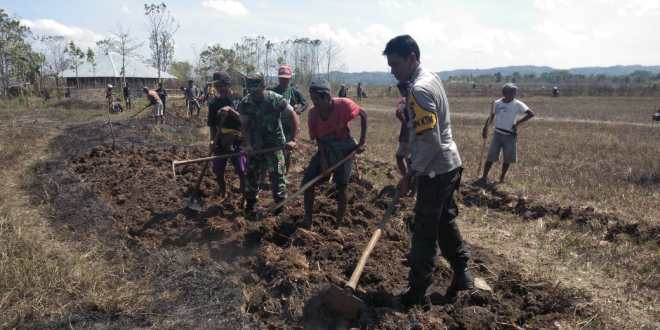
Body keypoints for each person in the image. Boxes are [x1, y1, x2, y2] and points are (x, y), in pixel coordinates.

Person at [383, 34, 474, 309]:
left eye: (396, 64)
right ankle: (463, 275)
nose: (392, 71)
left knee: (424, 230)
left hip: (436, 169)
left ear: (412, 58)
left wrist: (413, 173)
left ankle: (417, 292)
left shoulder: (419, 89)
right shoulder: (430, 78)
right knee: (443, 221)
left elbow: (431, 140)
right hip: (448, 165)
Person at [302, 79, 367, 229]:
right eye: (312, 100)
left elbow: (363, 114)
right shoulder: (313, 114)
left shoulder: (344, 105)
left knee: (342, 185)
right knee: (307, 183)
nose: (314, 104)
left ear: (326, 97)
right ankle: (308, 220)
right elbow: (318, 139)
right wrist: (324, 161)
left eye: (317, 100)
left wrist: (361, 142)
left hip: (345, 148)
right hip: (325, 147)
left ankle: (337, 226)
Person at [239, 73, 299, 219]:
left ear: (263, 87)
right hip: (256, 146)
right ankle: (251, 206)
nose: (254, 94)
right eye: (251, 91)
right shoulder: (245, 103)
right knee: (251, 177)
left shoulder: (275, 99)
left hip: (275, 145)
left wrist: (293, 139)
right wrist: (247, 144)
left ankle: (279, 209)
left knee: (277, 177)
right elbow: (244, 126)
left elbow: (293, 116)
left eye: (257, 90)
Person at [479, 83, 535, 184]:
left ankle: (501, 179)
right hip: (497, 133)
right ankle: (484, 177)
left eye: (515, 92)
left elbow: (531, 114)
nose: (514, 94)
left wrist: (517, 123)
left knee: (507, 158)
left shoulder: (518, 104)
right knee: (491, 156)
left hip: (510, 135)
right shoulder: (497, 103)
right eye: (512, 92)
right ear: (505, 93)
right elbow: (491, 116)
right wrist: (485, 128)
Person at [207, 71, 246, 200]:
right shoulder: (213, 103)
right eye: (216, 85)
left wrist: (230, 111)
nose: (219, 88)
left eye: (221, 85)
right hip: (220, 140)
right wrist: (212, 141)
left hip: (237, 139)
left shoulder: (239, 99)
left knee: (242, 170)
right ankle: (223, 192)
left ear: (227, 84)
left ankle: (244, 195)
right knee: (218, 171)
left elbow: (244, 120)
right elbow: (212, 125)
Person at [269, 64, 307, 173]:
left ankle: (285, 172)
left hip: (290, 125)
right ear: (278, 78)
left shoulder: (294, 92)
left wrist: (299, 109)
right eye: (281, 78)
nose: (284, 81)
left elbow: (305, 103)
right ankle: (275, 172)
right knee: (275, 150)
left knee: (287, 151)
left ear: (290, 78)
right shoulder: (272, 91)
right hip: (276, 124)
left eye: (286, 79)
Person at [394, 81, 412, 189]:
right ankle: (408, 180)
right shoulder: (415, 99)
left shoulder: (405, 101)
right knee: (406, 158)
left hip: (408, 135)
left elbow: (397, 113)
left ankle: (407, 181)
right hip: (412, 133)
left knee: (404, 158)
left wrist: (405, 123)